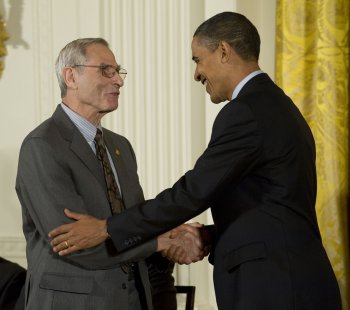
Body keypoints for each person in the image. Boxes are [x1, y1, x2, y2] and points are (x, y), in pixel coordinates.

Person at [48, 13, 342, 309]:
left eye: (198, 60)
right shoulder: (277, 105)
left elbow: (193, 192)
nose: (197, 73)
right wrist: (211, 236)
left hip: (276, 288)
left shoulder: (247, 111)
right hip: (292, 281)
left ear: (224, 51)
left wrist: (107, 228)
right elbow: (272, 208)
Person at [15, 37, 205, 310]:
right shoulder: (42, 146)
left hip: (132, 299)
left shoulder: (120, 147)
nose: (119, 80)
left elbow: (133, 221)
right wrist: (161, 242)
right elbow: (72, 241)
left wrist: (170, 232)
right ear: (71, 76)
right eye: (106, 70)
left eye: (118, 71)